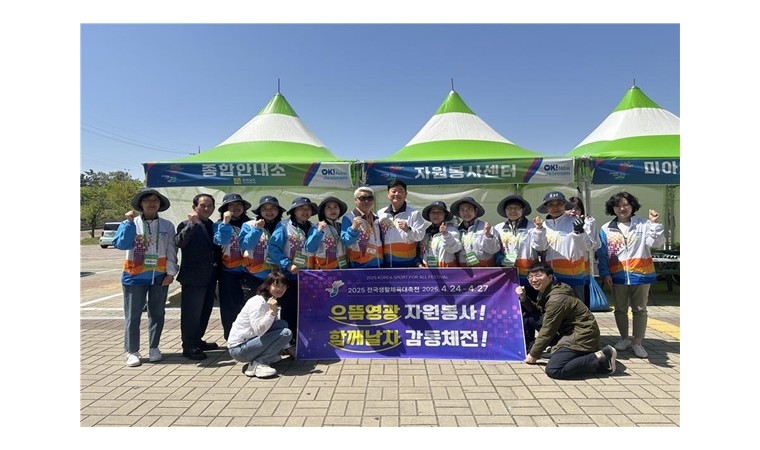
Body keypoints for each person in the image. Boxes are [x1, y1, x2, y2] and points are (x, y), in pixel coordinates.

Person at [113, 188, 178, 367]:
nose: (151, 203)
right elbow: (122, 244)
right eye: (147, 200)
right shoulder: (131, 222)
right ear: (140, 204)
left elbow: (172, 250)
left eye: (155, 200)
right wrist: (128, 224)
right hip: (134, 276)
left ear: (160, 204)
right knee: (133, 315)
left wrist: (171, 273)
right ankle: (132, 351)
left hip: (159, 276)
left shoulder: (167, 225)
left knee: (157, 313)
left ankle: (154, 347)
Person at [518, 263, 617, 379]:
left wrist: (533, 354)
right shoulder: (549, 290)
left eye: (538, 276)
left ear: (550, 277)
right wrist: (524, 298)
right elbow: (539, 313)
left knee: (554, 369)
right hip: (570, 332)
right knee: (533, 318)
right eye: (530, 276)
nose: (534, 280)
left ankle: (600, 356)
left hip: (582, 336)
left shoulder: (557, 299)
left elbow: (548, 330)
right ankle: (563, 351)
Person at [597, 191, 665, 358]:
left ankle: (637, 342)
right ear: (612, 208)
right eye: (618, 205)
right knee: (620, 309)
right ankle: (624, 338)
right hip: (617, 276)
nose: (622, 208)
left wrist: (654, 224)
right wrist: (605, 273)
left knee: (640, 309)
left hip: (641, 274)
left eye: (626, 205)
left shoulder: (644, 224)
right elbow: (602, 254)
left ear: (632, 206)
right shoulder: (606, 228)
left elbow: (655, 243)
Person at [492, 194, 547, 352]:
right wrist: (501, 259)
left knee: (529, 310)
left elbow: (541, 247)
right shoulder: (498, 228)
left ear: (523, 210)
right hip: (508, 277)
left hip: (528, 276)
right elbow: (495, 250)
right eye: (509, 208)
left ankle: (530, 342)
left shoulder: (532, 227)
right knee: (510, 310)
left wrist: (539, 230)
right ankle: (514, 340)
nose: (513, 211)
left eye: (516, 208)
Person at [268, 196, 322, 345]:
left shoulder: (314, 227)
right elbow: (273, 248)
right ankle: (288, 342)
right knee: (290, 310)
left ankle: (304, 341)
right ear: (293, 211)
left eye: (308, 208)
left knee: (307, 310)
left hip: (310, 277)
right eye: (300, 209)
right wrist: (287, 264)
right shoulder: (284, 226)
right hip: (290, 277)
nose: (305, 211)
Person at [174, 193, 222, 361]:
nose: (206, 208)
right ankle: (189, 345)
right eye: (202, 205)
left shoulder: (213, 225)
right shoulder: (186, 224)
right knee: (191, 313)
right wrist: (191, 224)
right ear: (194, 207)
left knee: (204, 311)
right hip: (193, 277)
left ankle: (197, 340)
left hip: (210, 276)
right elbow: (179, 242)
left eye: (210, 206)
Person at [227, 272, 293, 378]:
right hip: (239, 349)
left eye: (283, 286)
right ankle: (259, 363)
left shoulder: (271, 301)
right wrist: (271, 312)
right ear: (267, 286)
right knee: (286, 333)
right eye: (276, 285)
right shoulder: (259, 302)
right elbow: (259, 331)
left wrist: (288, 348)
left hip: (250, 342)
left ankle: (264, 357)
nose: (280, 289)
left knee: (282, 324)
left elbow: (271, 326)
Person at [536, 191, 598, 303]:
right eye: (551, 205)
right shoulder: (543, 225)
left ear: (565, 205)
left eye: (559, 203)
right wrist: (539, 231)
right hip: (551, 277)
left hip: (573, 276)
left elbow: (588, 246)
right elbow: (540, 247)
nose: (555, 207)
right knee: (554, 308)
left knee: (576, 309)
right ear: (546, 207)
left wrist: (579, 232)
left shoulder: (576, 222)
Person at [213, 193, 254, 341]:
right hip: (228, 271)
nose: (236, 207)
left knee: (249, 305)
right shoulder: (219, 224)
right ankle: (231, 337)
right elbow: (220, 241)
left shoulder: (251, 223)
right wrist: (225, 223)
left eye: (239, 204)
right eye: (231, 205)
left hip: (250, 270)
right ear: (225, 208)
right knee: (230, 306)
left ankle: (250, 337)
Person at [238, 195, 286, 297]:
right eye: (264, 208)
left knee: (275, 305)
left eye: (273, 208)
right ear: (259, 211)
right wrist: (257, 229)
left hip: (278, 278)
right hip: (254, 276)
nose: (269, 211)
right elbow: (245, 245)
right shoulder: (249, 225)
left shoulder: (285, 226)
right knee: (254, 305)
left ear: (278, 210)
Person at [376, 179, 425, 267]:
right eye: (393, 191)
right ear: (388, 194)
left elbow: (420, 235)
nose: (397, 194)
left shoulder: (414, 213)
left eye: (400, 191)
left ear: (406, 194)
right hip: (386, 263)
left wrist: (408, 229)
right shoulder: (380, 213)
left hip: (408, 263)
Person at [450, 196, 500, 267]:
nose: (466, 213)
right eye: (462, 210)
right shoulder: (456, 230)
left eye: (469, 209)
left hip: (485, 270)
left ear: (475, 211)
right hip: (464, 271)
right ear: (459, 213)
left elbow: (493, 250)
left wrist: (488, 236)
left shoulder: (486, 227)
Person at [342, 186, 384, 268]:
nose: (366, 201)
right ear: (355, 200)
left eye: (370, 198)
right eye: (362, 198)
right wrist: (353, 229)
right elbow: (345, 242)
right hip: (358, 267)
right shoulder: (349, 217)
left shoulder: (376, 218)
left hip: (378, 265)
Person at [312, 196, 356, 269]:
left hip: (343, 269)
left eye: (336, 207)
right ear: (323, 211)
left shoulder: (342, 226)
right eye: (328, 207)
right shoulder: (316, 227)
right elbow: (310, 248)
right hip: (324, 271)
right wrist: (319, 232)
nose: (333, 210)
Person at [566, 196, 595, 308]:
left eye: (577, 208)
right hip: (562, 271)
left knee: (580, 303)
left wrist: (581, 230)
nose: (573, 211)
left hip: (581, 271)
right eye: (570, 208)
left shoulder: (587, 223)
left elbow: (591, 245)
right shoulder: (558, 224)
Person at [416, 201, 462, 267]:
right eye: (433, 212)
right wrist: (418, 262)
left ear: (445, 215)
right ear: (429, 215)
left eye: (439, 212)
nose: (436, 215)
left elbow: (455, 249)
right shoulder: (425, 233)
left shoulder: (452, 231)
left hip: (448, 272)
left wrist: (446, 234)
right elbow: (419, 252)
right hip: (428, 271)